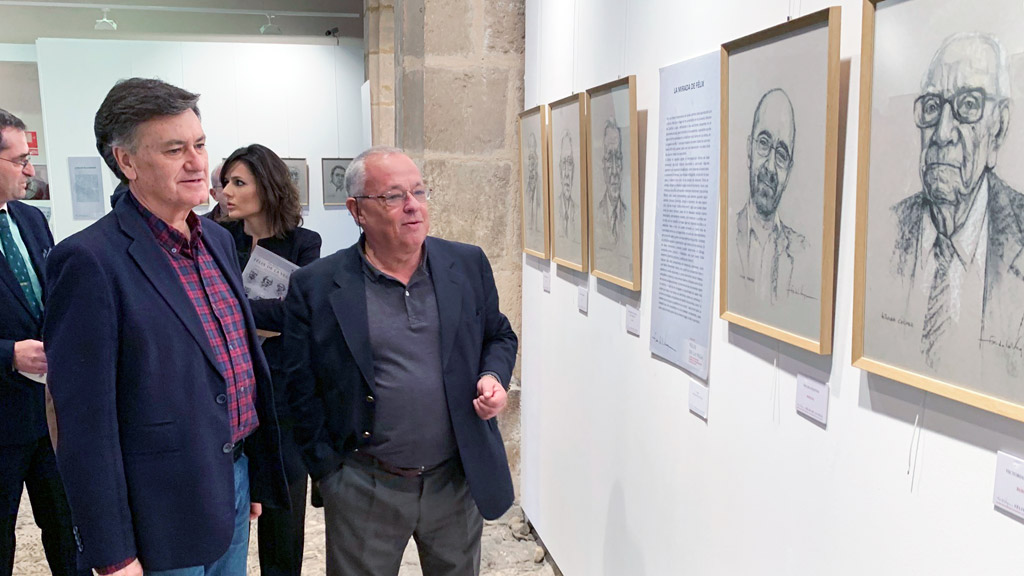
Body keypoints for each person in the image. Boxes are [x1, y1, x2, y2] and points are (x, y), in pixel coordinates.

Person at [44, 78, 288, 576]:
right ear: (127, 162)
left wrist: (253, 473)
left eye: (199, 144)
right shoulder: (90, 261)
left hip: (233, 479)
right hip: (158, 511)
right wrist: (112, 553)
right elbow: (84, 425)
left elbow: (234, 365)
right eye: (175, 150)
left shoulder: (217, 240)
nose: (197, 163)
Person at [281, 146, 518, 576]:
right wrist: (331, 473)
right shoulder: (316, 286)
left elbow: (498, 335)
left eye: (419, 191)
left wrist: (492, 376)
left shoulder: (466, 264)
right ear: (357, 210)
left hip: (454, 478)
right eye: (393, 196)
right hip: (364, 483)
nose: (412, 206)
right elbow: (299, 387)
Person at [889, 32, 1024, 370]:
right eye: (933, 107)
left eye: (968, 105)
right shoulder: (885, 229)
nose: (942, 132)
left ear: (999, 127)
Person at [217, 144, 321, 576]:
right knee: (228, 520)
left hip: (282, 396)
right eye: (225, 182)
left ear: (267, 186)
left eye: (238, 182)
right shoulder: (217, 237)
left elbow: (297, 315)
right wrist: (260, 315)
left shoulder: (303, 243)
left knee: (283, 525)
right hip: (228, 394)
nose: (226, 191)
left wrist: (233, 311)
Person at [0, 109, 85, 576]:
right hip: (2, 413)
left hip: (51, 411)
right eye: (20, 160)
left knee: (68, 530)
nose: (31, 170)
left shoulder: (31, 219)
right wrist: (8, 354)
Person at [734, 88, 811, 303]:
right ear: (749, 149)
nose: (770, 166)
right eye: (763, 143)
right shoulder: (726, 235)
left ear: (789, 172)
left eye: (781, 155)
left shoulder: (803, 253)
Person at [597, 117, 627, 244]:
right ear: (603, 165)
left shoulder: (628, 216)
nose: (615, 171)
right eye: (609, 159)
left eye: (618, 158)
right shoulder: (596, 215)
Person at [556, 130, 577, 240]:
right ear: (559, 169)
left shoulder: (578, 212)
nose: (567, 174)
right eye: (564, 163)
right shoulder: (554, 209)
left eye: (569, 163)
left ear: (574, 168)